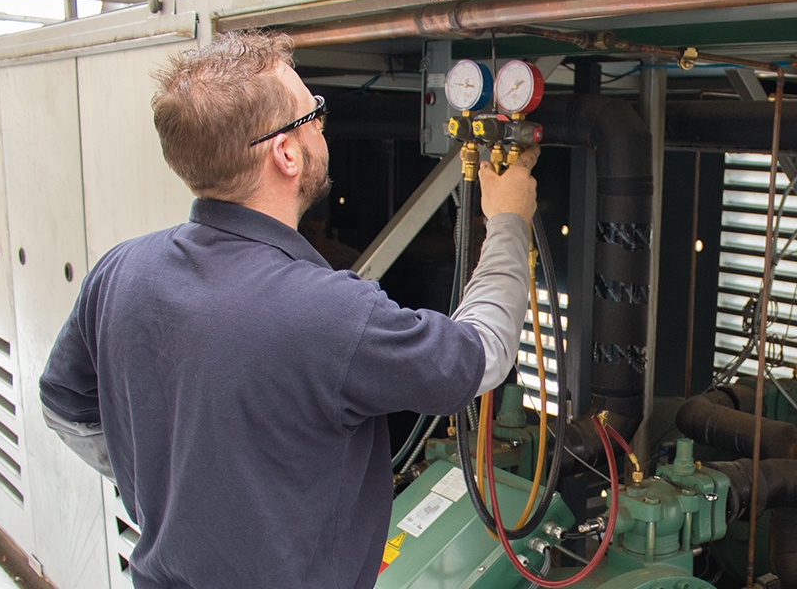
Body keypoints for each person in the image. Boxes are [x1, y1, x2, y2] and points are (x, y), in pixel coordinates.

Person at [39, 31, 539, 588]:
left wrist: (173, 486)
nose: (322, 125)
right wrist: (508, 222)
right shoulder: (330, 313)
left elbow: (63, 404)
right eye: (313, 114)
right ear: (286, 153)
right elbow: (484, 352)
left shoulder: (120, 271)